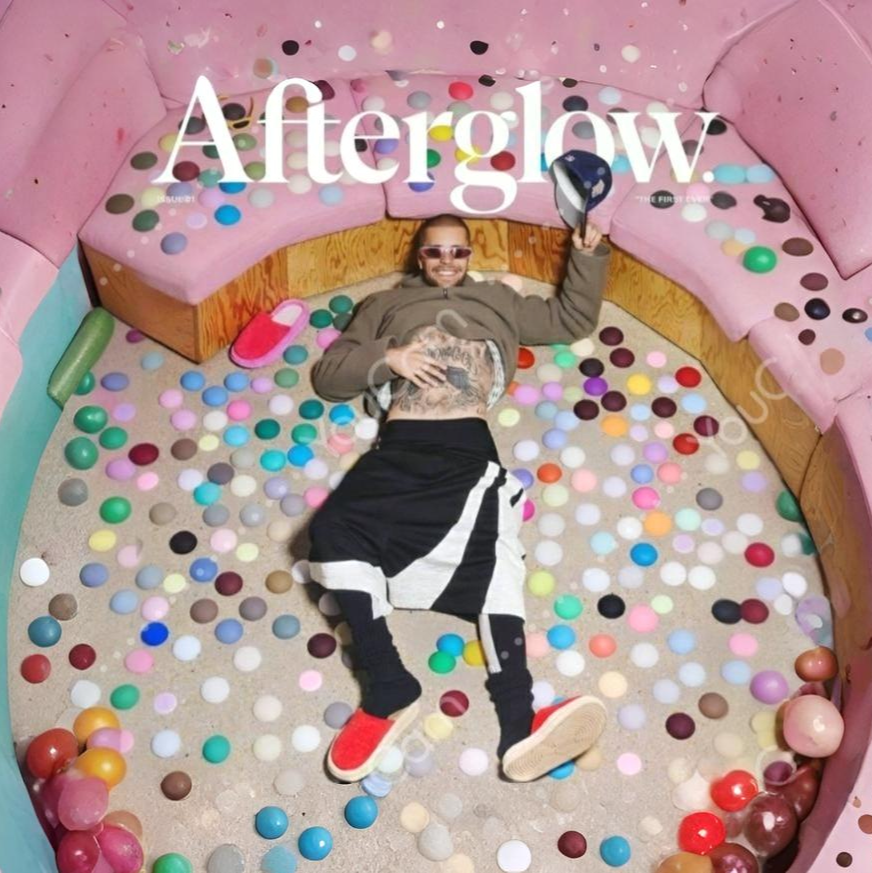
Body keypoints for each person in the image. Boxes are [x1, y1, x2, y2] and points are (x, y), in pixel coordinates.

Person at [308, 213, 612, 783]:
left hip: (466, 445)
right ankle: (388, 683)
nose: (446, 262)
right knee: (329, 530)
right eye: (434, 252)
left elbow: (572, 319)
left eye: (457, 252)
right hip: (398, 444)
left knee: (495, 561)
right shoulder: (383, 305)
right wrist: (389, 358)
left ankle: (519, 723)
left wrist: (587, 256)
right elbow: (329, 375)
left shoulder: (498, 300)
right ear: (419, 256)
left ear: (470, 255)